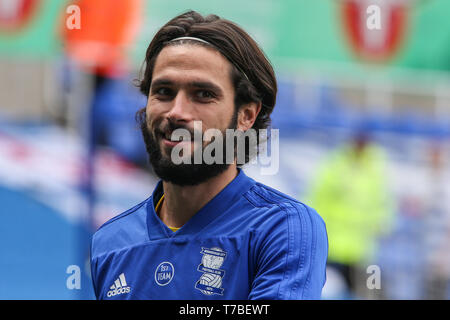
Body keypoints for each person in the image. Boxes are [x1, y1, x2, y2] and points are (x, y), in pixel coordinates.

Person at [90, 10, 328, 300]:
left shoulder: (283, 228)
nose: (176, 111)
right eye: (163, 91)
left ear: (246, 116)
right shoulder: (110, 241)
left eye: (203, 94)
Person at [308, 131, 392, 298]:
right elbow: (317, 199)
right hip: (332, 247)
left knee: (362, 293)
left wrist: (382, 224)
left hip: (361, 250)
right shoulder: (335, 165)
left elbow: (383, 202)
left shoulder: (375, 168)